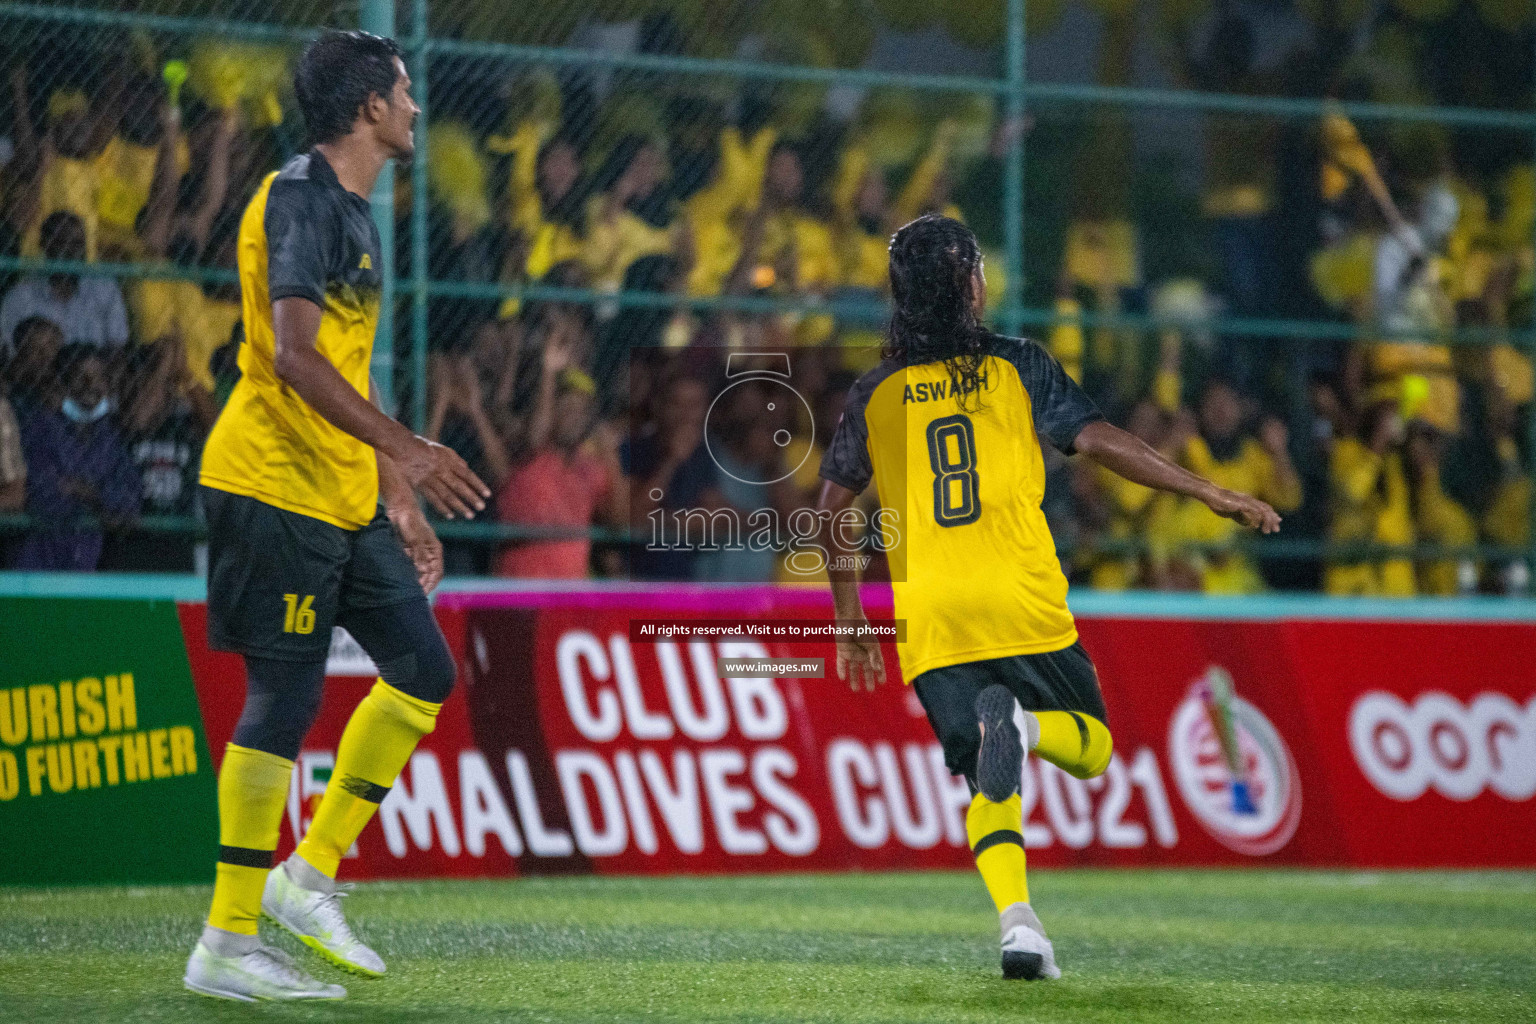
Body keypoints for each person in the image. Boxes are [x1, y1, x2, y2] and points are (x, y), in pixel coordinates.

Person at [816, 215, 1279, 981]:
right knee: (1093, 747)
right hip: (1018, 593)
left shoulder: (872, 395)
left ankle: (1019, 927)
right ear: (968, 286)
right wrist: (1206, 488)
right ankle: (1029, 726)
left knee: (985, 780)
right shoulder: (1017, 366)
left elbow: (830, 512)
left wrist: (849, 621)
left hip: (934, 616)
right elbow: (1102, 441)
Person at [183, 31, 490, 1003]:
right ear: (368, 108)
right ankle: (225, 942)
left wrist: (396, 498)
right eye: (403, 92)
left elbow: (344, 373)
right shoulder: (298, 199)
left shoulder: (358, 213)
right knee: (286, 699)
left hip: (343, 493)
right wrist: (411, 449)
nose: (414, 107)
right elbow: (296, 356)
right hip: (269, 484)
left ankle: (305, 879)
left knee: (423, 668)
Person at [14, 345, 140, 570]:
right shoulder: (40, 427)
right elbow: (44, 497)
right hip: (39, 565)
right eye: (80, 376)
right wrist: (102, 500)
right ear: (63, 382)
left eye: (99, 377)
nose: (91, 385)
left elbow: (128, 504)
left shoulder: (110, 436)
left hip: (87, 567)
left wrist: (84, 490)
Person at [0, 211, 129, 350]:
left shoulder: (104, 288)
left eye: (78, 244)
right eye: (62, 242)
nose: (72, 252)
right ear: (45, 244)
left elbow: (118, 346)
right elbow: (10, 354)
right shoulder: (20, 296)